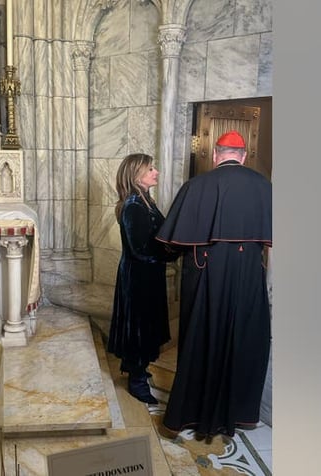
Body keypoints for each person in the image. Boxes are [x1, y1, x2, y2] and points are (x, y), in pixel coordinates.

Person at [156, 130, 272, 438]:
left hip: (206, 273)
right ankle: (236, 414)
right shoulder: (264, 186)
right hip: (248, 276)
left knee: (200, 338)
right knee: (243, 339)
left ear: (217, 155)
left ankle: (191, 415)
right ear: (243, 156)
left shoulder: (196, 185)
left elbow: (171, 243)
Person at [107, 153, 179, 405]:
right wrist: (170, 252)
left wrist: (171, 248)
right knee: (139, 328)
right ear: (136, 175)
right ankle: (136, 380)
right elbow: (141, 249)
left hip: (148, 274)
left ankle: (137, 367)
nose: (156, 171)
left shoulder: (144, 201)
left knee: (146, 326)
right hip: (138, 278)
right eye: (151, 169)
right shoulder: (134, 206)